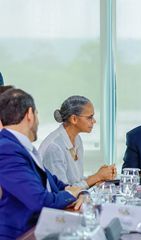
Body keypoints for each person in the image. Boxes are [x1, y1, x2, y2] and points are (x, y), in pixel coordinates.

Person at [0, 88, 83, 239]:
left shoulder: (23, 147)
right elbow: (38, 200)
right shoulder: (6, 149)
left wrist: (81, 193)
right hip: (23, 234)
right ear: (30, 114)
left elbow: (55, 184)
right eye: (37, 114)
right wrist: (72, 194)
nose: (38, 120)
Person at [39, 96, 116, 189]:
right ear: (74, 119)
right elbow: (62, 192)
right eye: (90, 117)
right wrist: (97, 177)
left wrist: (99, 178)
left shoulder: (77, 139)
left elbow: (76, 181)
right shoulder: (54, 148)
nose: (94, 121)